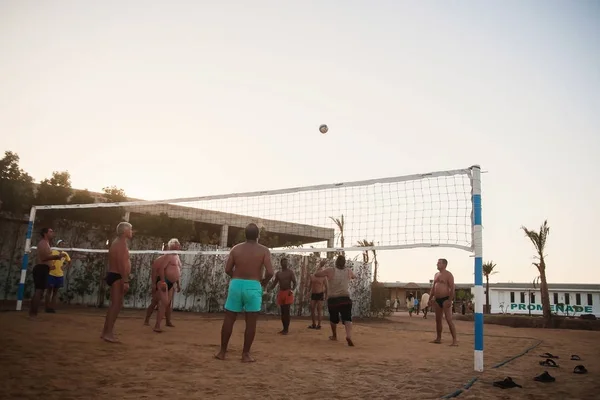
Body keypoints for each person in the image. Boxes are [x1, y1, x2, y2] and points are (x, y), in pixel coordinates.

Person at [215, 223, 274, 362]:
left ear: (245, 235)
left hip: (236, 284)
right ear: (258, 236)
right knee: (251, 321)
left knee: (229, 318)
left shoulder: (236, 249)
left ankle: (222, 352)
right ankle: (245, 354)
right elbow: (271, 272)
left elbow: (227, 269)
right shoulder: (264, 250)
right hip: (253, 285)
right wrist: (263, 283)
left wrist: (236, 278)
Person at [101, 222, 133, 343]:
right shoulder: (120, 244)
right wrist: (125, 280)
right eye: (130, 229)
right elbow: (120, 263)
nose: (131, 232)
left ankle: (106, 331)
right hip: (117, 276)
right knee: (116, 305)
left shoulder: (119, 242)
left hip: (116, 275)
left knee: (115, 305)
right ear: (124, 231)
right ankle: (108, 333)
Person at [314, 255, 355, 346]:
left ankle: (334, 335)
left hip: (333, 299)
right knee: (347, 318)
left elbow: (316, 274)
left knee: (333, 319)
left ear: (336, 262)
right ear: (344, 263)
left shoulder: (331, 270)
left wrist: (320, 266)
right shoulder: (348, 271)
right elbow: (354, 276)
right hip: (345, 298)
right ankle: (348, 336)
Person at [144, 238, 182, 329]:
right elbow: (159, 270)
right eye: (175, 246)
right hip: (164, 282)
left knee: (167, 304)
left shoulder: (176, 256)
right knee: (158, 303)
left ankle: (167, 322)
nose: (177, 247)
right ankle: (154, 324)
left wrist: (178, 283)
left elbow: (177, 271)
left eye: (178, 246)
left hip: (171, 283)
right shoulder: (165, 257)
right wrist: (160, 282)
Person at [30, 228, 65, 317]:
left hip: (44, 268)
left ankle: (33, 312)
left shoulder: (46, 243)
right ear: (45, 233)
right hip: (41, 268)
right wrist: (57, 257)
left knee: (40, 291)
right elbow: (44, 258)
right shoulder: (43, 243)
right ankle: (33, 313)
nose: (53, 233)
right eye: (51, 231)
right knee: (39, 291)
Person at [429, 258, 458, 346]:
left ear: (444, 265)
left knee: (449, 320)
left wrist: (450, 300)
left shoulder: (449, 275)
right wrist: (430, 298)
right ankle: (438, 338)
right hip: (437, 299)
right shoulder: (436, 275)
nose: (437, 264)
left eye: (439, 263)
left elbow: (452, 288)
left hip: (446, 299)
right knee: (438, 320)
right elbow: (433, 287)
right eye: (437, 263)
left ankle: (455, 340)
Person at [269, 258, 297, 335]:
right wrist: (268, 289)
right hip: (281, 292)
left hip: (288, 292)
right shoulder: (278, 273)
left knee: (286, 311)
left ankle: (286, 329)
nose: (285, 264)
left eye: (286, 262)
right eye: (284, 262)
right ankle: (284, 328)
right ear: (281, 263)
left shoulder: (290, 272)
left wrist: (291, 290)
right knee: (282, 312)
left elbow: (295, 283)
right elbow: (274, 283)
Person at [44, 239, 72, 313]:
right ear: (58, 244)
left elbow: (69, 262)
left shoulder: (65, 254)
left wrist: (64, 267)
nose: (63, 245)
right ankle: (46, 307)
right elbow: (47, 259)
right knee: (49, 291)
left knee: (55, 292)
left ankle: (52, 308)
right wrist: (49, 266)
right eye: (62, 243)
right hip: (51, 274)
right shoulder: (53, 251)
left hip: (60, 275)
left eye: (64, 244)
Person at [308, 260, 328, 330]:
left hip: (320, 294)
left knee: (319, 309)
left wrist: (326, 295)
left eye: (320, 269)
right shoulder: (312, 276)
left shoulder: (324, 277)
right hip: (313, 294)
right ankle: (313, 324)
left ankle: (319, 325)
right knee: (312, 308)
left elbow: (326, 287)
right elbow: (310, 285)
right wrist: (308, 293)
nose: (319, 270)